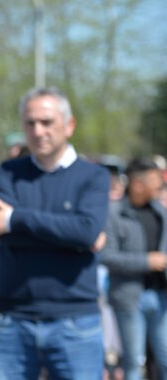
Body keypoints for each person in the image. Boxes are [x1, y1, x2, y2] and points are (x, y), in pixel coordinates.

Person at [0, 87, 110, 379]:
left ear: (69, 125)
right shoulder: (9, 172)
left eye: (47, 122)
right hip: (12, 320)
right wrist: (70, 234)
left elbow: (86, 232)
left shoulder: (94, 176)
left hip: (76, 322)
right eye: (30, 123)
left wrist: (16, 218)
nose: (38, 131)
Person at [101, 157, 167, 380]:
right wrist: (146, 262)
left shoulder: (160, 212)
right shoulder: (114, 213)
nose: (160, 184)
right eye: (155, 179)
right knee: (133, 362)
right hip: (130, 298)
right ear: (137, 184)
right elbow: (106, 256)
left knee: (164, 356)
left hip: (160, 296)